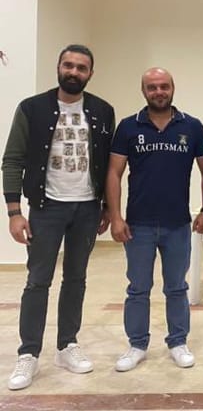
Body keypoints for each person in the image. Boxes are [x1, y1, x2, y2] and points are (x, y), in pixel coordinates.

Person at [2, 44, 115, 390]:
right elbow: (13, 159)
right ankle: (29, 353)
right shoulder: (32, 108)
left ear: (90, 73)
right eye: (69, 65)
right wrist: (14, 212)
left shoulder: (102, 110)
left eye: (81, 67)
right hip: (46, 207)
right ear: (58, 67)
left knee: (76, 279)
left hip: (87, 208)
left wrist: (107, 207)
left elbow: (109, 164)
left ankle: (67, 345)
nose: (74, 72)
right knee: (38, 281)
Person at [106, 67, 203, 372]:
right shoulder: (129, 127)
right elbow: (113, 172)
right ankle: (137, 345)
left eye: (164, 86)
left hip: (178, 223)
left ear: (173, 88)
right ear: (144, 91)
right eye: (152, 87)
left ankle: (178, 342)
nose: (159, 92)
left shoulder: (191, 126)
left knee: (176, 287)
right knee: (138, 288)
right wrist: (116, 217)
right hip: (138, 225)